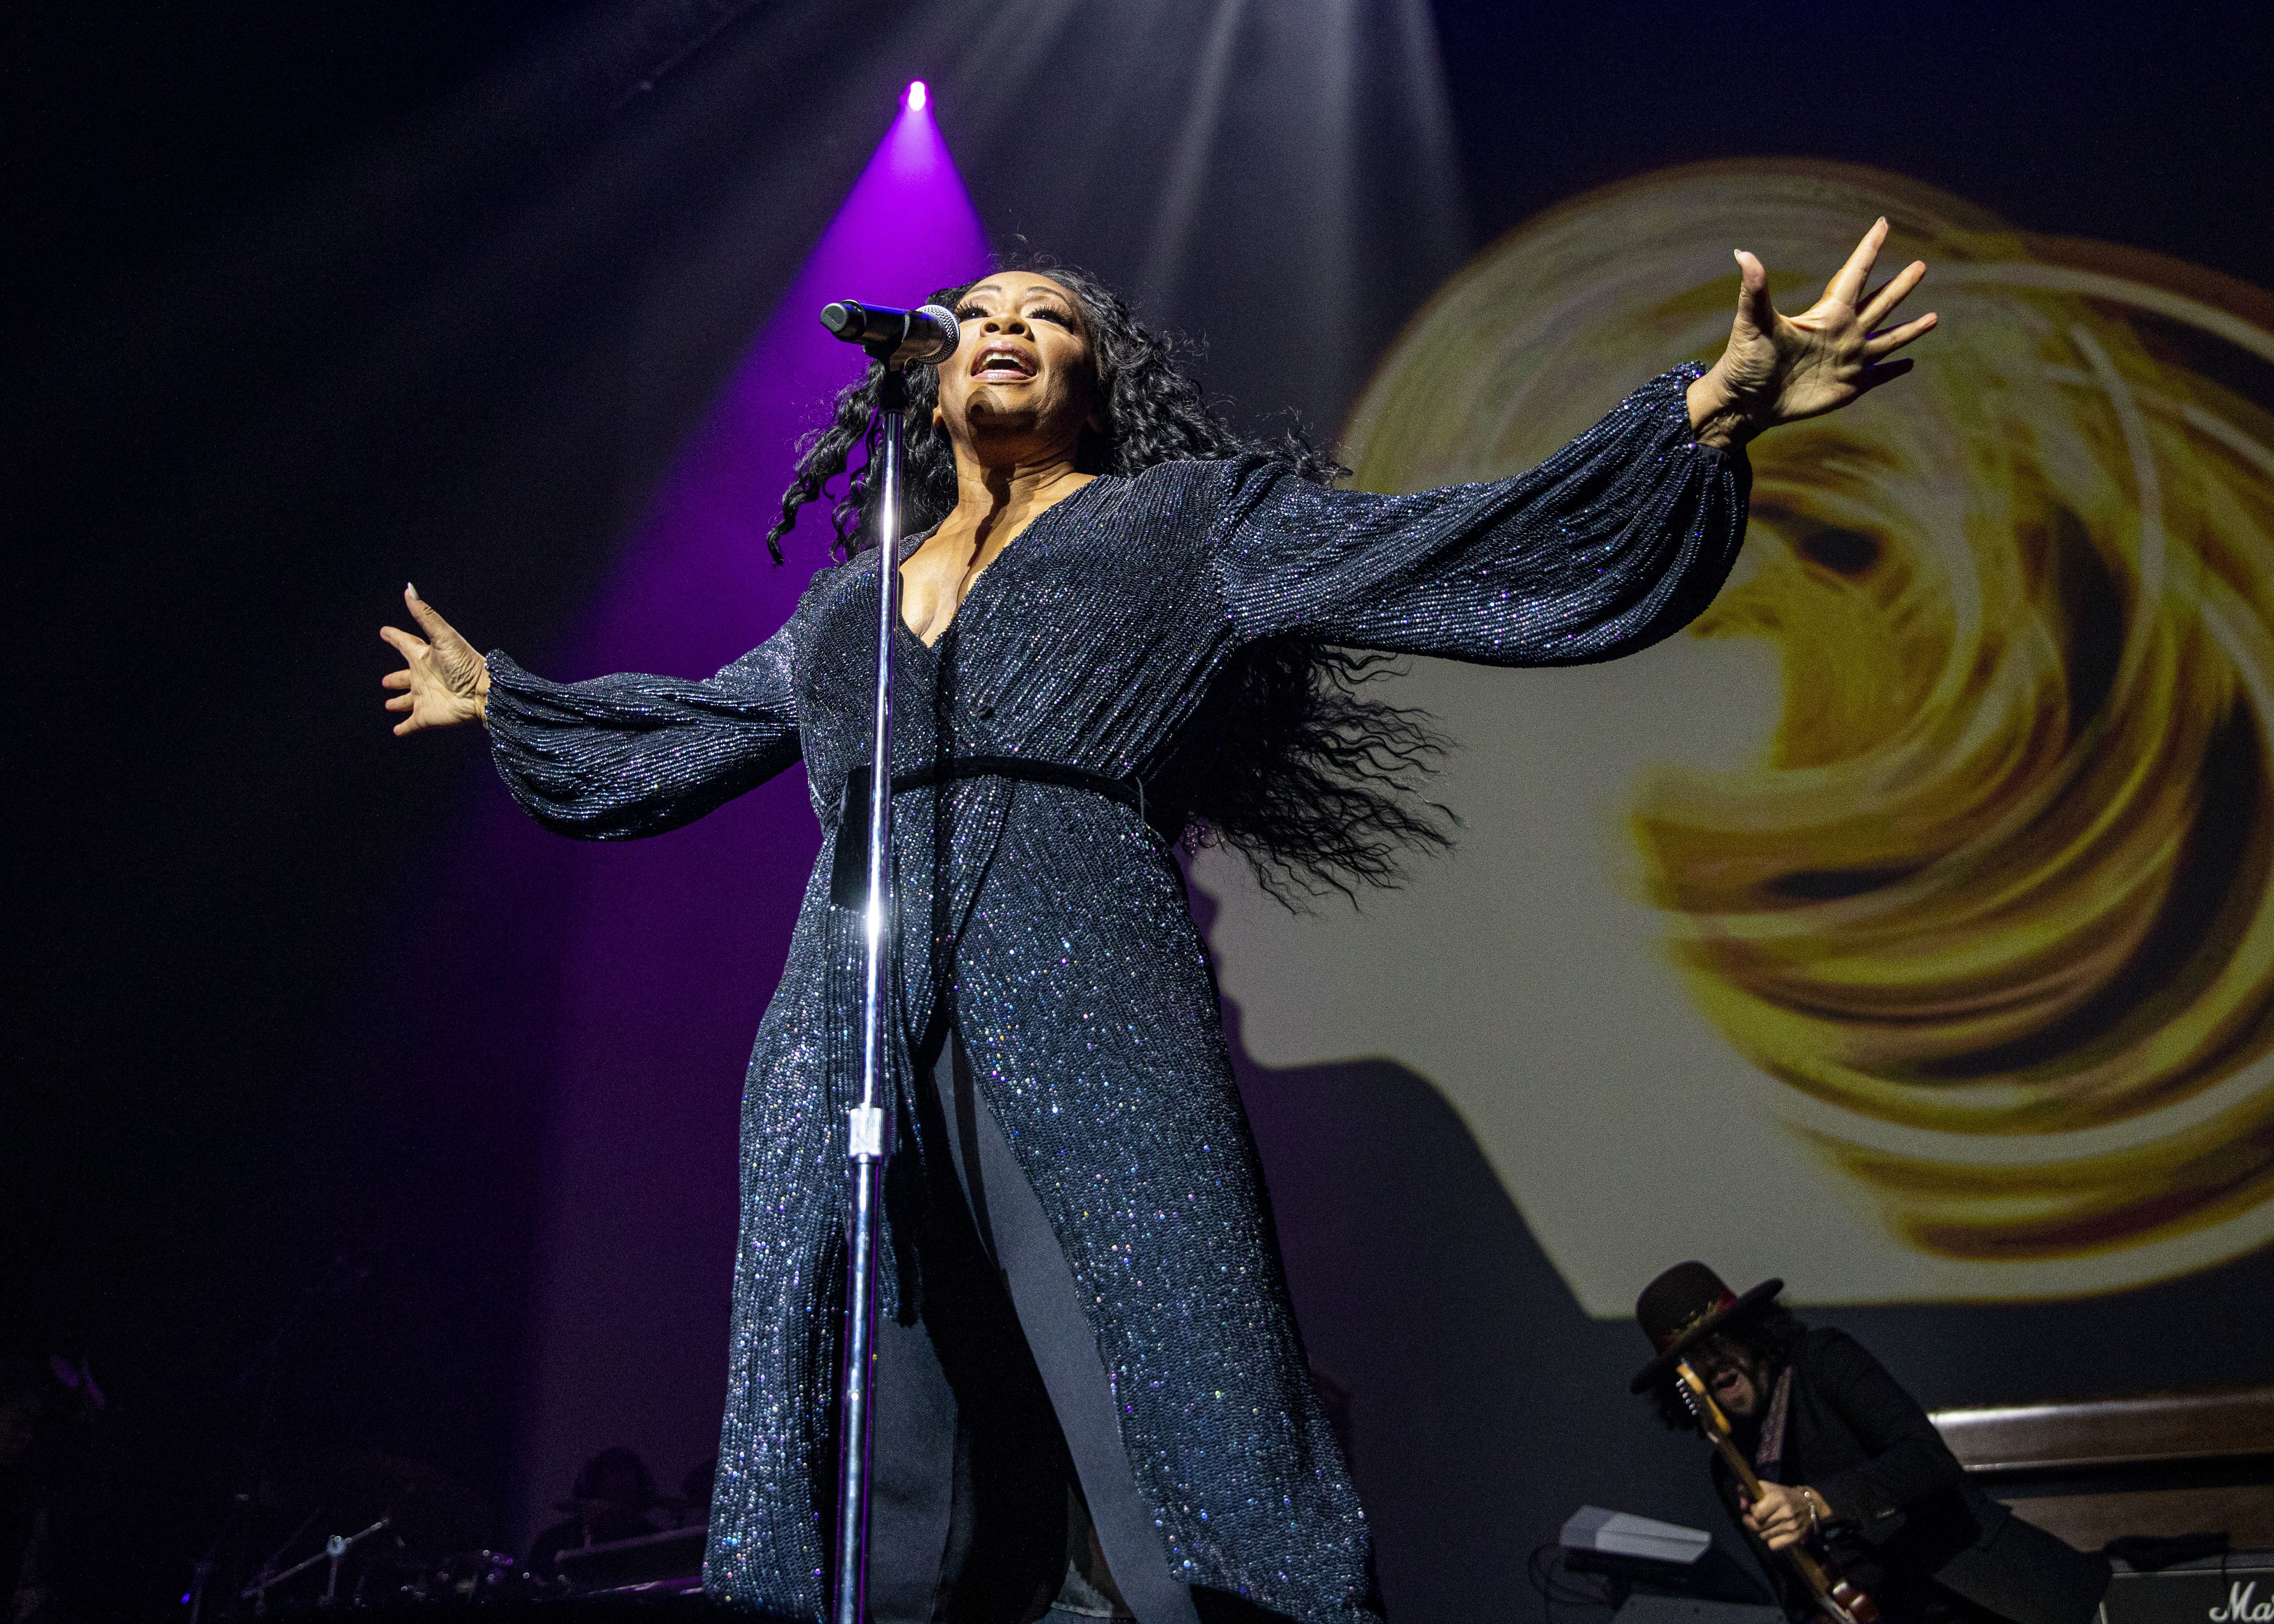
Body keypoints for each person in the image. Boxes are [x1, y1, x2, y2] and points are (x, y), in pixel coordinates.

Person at [383, 226, 1934, 1624]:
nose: (1000, 325)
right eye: (975, 312)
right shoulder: (844, 611)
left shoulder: (1185, 522)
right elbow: (685, 728)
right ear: (919, 384)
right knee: (883, 1433)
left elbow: (1442, 541)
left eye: (1044, 318)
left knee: (1175, 1397)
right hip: (842, 1013)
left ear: (1090, 378)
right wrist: (509, 703)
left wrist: (1703, 413)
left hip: (1087, 982)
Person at [1629, 1262, 2111, 1623]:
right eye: (1692, 1359)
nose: (1713, 1362)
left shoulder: (1823, 1362)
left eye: (1721, 1339)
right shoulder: (1729, 1468)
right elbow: (1797, 1597)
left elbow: (1927, 1458)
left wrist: (1813, 1502)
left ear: (1751, 1331)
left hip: (1989, 1593)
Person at [525, 1447, 663, 1578]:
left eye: (625, 1482)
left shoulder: (651, 1538)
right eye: (613, 1477)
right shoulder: (554, 1540)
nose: (619, 1484)